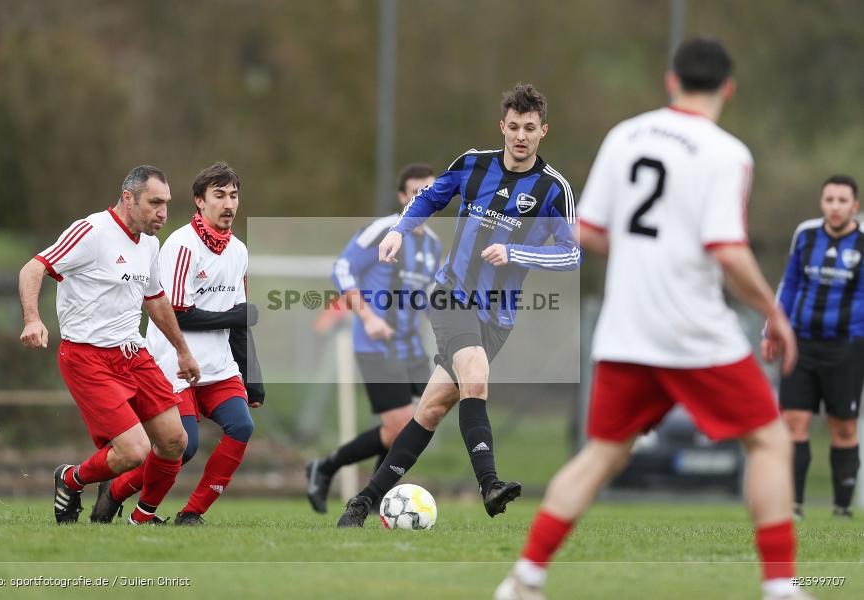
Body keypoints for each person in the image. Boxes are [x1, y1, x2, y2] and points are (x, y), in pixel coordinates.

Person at [495, 38, 809, 600]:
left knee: (601, 454)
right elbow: (728, 251)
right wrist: (774, 311)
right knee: (768, 443)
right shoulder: (726, 153)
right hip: (693, 332)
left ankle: (524, 579)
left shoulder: (626, 135)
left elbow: (587, 232)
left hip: (626, 331)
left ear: (671, 80)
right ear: (728, 89)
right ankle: (782, 587)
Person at [337, 83, 581, 527]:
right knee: (476, 374)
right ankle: (489, 484)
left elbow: (571, 254)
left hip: (498, 316)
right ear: (501, 126)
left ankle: (363, 503)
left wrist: (518, 253)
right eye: (513, 127)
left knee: (429, 411)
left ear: (543, 130)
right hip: (452, 295)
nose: (520, 136)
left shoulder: (553, 189)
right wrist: (399, 230)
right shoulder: (473, 165)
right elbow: (430, 196)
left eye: (530, 128)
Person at [18, 165, 201, 525]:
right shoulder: (92, 231)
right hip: (87, 358)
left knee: (175, 442)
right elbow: (33, 267)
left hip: (132, 353)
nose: (162, 213)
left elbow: (156, 298)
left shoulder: (149, 242)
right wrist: (32, 319)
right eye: (154, 203)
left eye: (166, 203)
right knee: (134, 451)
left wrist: (182, 350)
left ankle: (142, 518)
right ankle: (70, 479)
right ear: (128, 198)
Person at [91, 161, 264, 526]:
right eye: (219, 196)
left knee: (242, 427)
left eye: (233, 195)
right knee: (183, 447)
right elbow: (177, 313)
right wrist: (235, 317)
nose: (229, 204)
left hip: (219, 369)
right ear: (199, 202)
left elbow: (239, 320)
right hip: (173, 366)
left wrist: (253, 375)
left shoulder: (239, 252)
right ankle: (117, 490)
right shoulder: (181, 245)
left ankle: (190, 514)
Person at [305, 163, 440, 514]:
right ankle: (337, 473)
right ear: (401, 196)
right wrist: (367, 316)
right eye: (415, 192)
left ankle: (369, 496)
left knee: (414, 426)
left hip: (412, 349)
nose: (422, 199)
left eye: (428, 192)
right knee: (399, 425)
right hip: (376, 345)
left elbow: (424, 296)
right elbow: (342, 268)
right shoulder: (385, 230)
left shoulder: (434, 244)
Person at [771, 174, 862, 521]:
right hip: (801, 343)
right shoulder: (806, 235)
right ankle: (793, 505)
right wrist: (773, 330)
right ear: (821, 202)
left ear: (854, 205)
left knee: (843, 427)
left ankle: (842, 508)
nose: (835, 207)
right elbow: (790, 283)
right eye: (829, 200)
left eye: (842, 201)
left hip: (847, 346)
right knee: (793, 420)